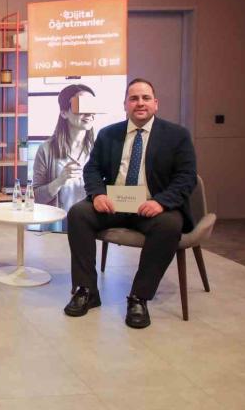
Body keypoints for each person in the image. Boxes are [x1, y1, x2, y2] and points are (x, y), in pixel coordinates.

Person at [64, 79, 197, 329]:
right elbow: (92, 169)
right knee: (78, 214)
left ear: (156, 104)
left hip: (152, 207)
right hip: (114, 204)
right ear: (125, 104)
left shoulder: (177, 136)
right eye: (134, 98)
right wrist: (98, 194)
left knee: (170, 225)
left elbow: (186, 177)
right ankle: (86, 290)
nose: (140, 103)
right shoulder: (108, 134)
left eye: (145, 98)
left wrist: (161, 202)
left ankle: (139, 297)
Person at [32, 84, 97, 231]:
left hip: (90, 225)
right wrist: (59, 181)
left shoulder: (99, 149)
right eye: (81, 106)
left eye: (91, 106)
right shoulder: (46, 150)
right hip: (56, 226)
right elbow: (35, 197)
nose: (88, 113)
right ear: (64, 113)